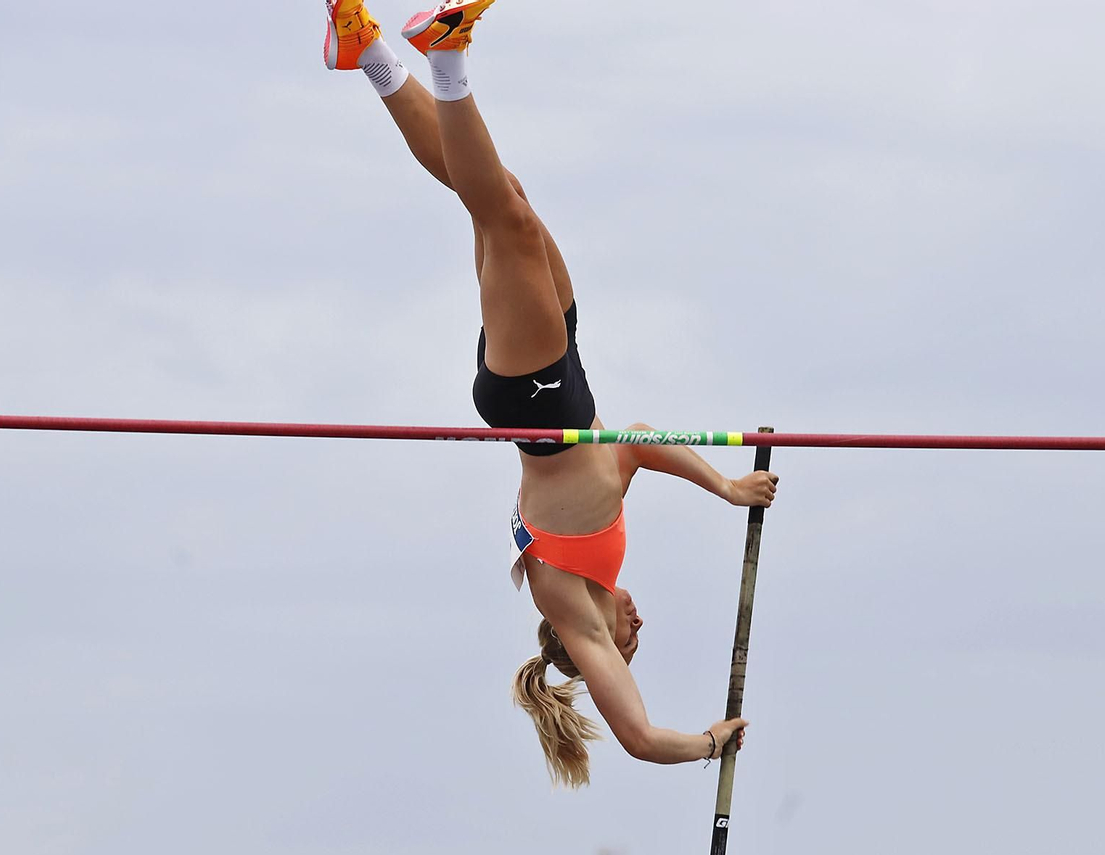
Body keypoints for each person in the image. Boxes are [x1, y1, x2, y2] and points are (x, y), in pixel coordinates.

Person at [323, 0, 778, 785]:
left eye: (633, 640)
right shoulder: (600, 563)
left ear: (594, 649)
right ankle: (364, 48)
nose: (639, 623)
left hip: (538, 404)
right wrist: (724, 486)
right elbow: (633, 439)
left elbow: (636, 737)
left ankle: (445, 55)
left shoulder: (573, 611)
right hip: (561, 384)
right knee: (506, 197)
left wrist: (709, 744)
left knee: (504, 217)